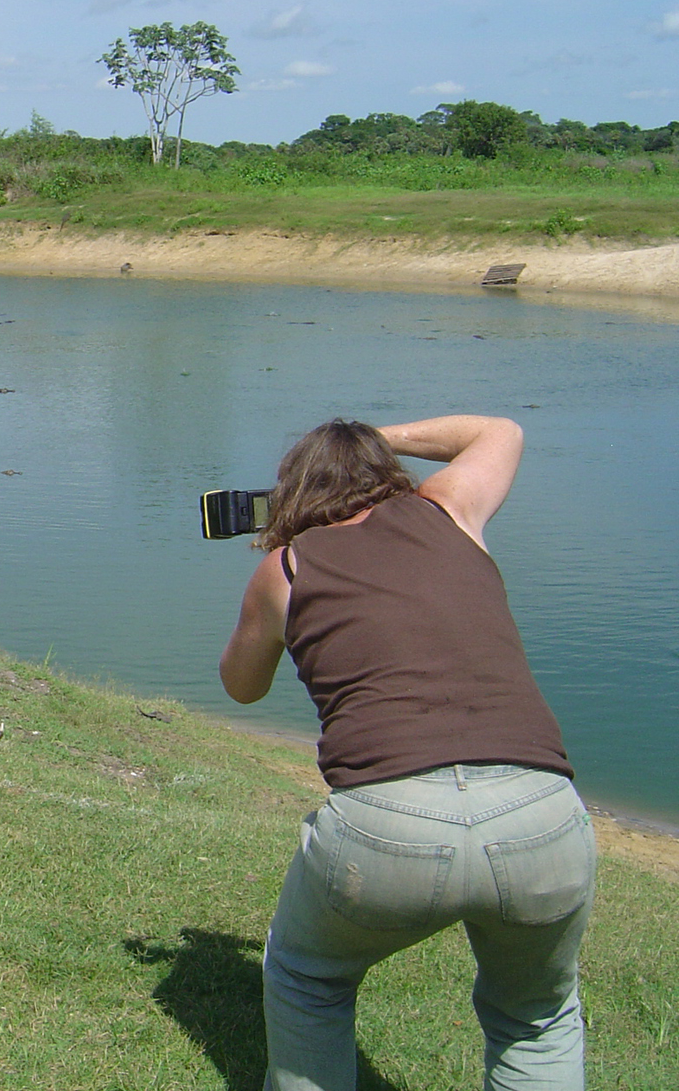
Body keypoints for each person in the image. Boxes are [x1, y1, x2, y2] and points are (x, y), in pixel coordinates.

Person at [220, 415, 594, 1091]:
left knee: (308, 978)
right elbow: (501, 432)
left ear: (294, 493)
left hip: (387, 825)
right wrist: (376, 437)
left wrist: (271, 584)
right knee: (536, 1017)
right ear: (385, 475)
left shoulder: (287, 568)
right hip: (543, 811)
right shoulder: (450, 511)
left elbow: (240, 688)